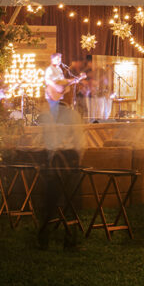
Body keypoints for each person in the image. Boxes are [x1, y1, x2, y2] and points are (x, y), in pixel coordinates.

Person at [36, 90, 85, 250]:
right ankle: (70, 241)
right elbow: (79, 143)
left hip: (52, 162)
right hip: (68, 161)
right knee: (71, 202)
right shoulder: (73, 116)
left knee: (50, 202)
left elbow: (44, 141)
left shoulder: (46, 116)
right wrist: (78, 161)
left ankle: (43, 239)